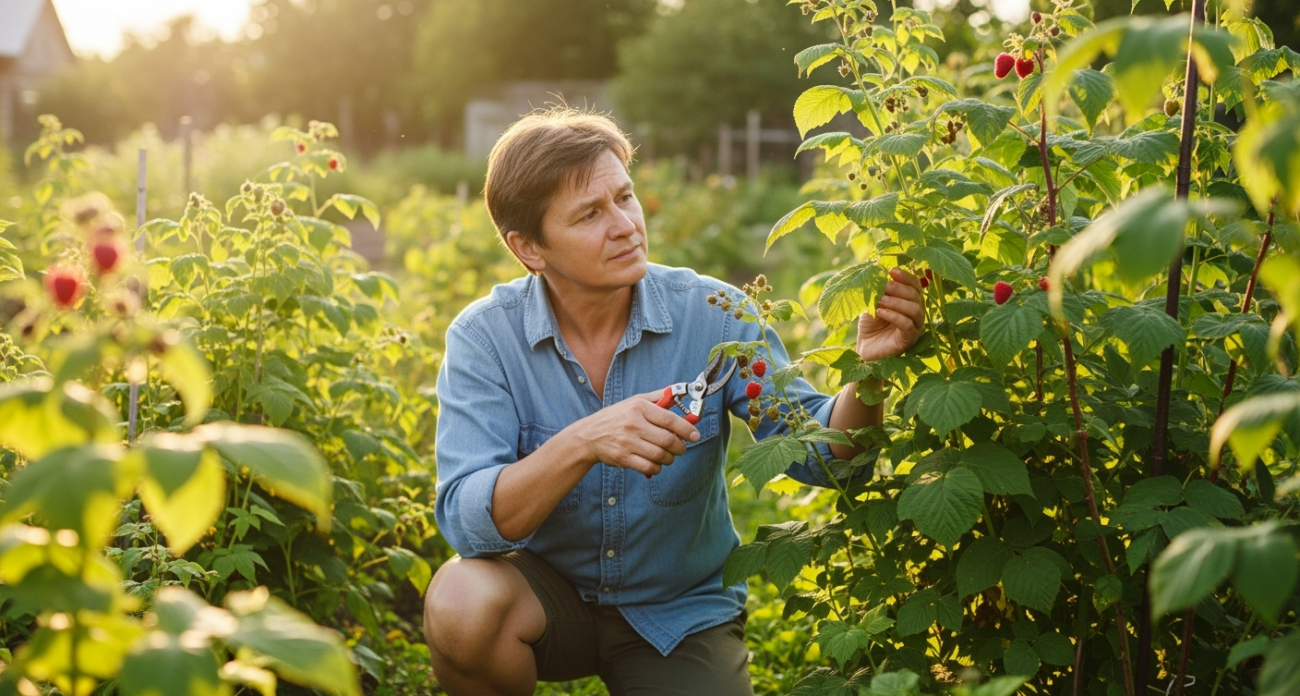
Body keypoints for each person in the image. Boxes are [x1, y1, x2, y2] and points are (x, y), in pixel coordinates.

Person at [423, 108, 926, 696]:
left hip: (679, 613)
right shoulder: (486, 337)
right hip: (545, 599)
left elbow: (819, 453)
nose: (625, 225)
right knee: (461, 602)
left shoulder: (715, 314)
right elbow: (467, 521)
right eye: (590, 214)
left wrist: (871, 373)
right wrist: (583, 442)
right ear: (529, 247)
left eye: (624, 197)